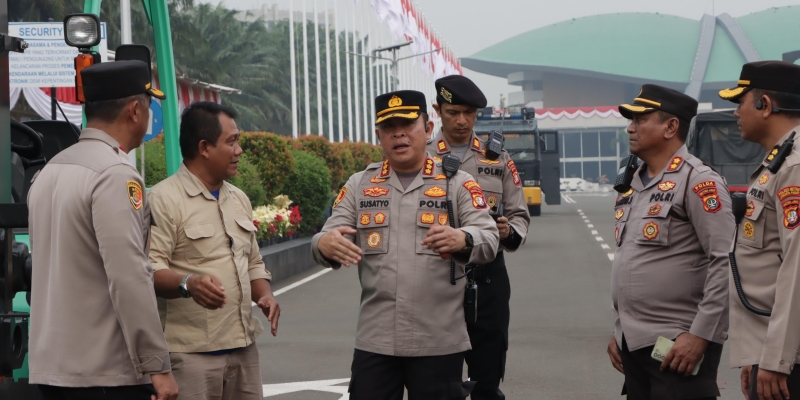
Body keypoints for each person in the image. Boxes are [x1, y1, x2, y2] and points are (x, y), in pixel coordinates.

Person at [311, 90, 500, 400]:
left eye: (408, 124)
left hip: (438, 339)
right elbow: (326, 237)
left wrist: (462, 239)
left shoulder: (457, 183)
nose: (398, 133)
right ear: (378, 135)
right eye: (389, 127)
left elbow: (489, 237)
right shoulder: (360, 185)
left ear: (427, 128)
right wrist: (324, 245)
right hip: (376, 341)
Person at [27, 61, 178, 400]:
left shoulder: (51, 170)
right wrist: (158, 365)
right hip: (105, 375)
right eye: (150, 105)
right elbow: (129, 276)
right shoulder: (114, 174)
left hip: (53, 370)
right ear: (134, 110)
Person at [606, 84, 734, 399]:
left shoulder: (698, 181)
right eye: (630, 120)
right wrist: (620, 331)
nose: (630, 127)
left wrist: (700, 336)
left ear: (671, 126)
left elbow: (726, 261)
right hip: (635, 344)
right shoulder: (633, 184)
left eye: (640, 119)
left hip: (679, 342)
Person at [148, 102, 280, 400]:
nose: (239, 150)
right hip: (191, 356)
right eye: (231, 141)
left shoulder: (239, 199)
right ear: (205, 147)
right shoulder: (163, 200)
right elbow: (149, 270)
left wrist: (265, 295)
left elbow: (253, 262)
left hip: (244, 349)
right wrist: (187, 283)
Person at [426, 75, 530, 400]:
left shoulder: (496, 157)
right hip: (437, 281)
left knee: (487, 382)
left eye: (469, 113)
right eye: (454, 112)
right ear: (437, 111)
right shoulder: (421, 157)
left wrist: (508, 232)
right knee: (440, 383)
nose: (462, 120)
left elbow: (519, 214)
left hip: (488, 282)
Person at [721, 61, 800, 400]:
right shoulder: (779, 160)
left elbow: (796, 267)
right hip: (776, 350)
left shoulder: (794, 166)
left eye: (740, 102)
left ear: (765, 105)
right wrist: (758, 354)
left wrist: (775, 359)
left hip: (789, 362)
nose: (736, 112)